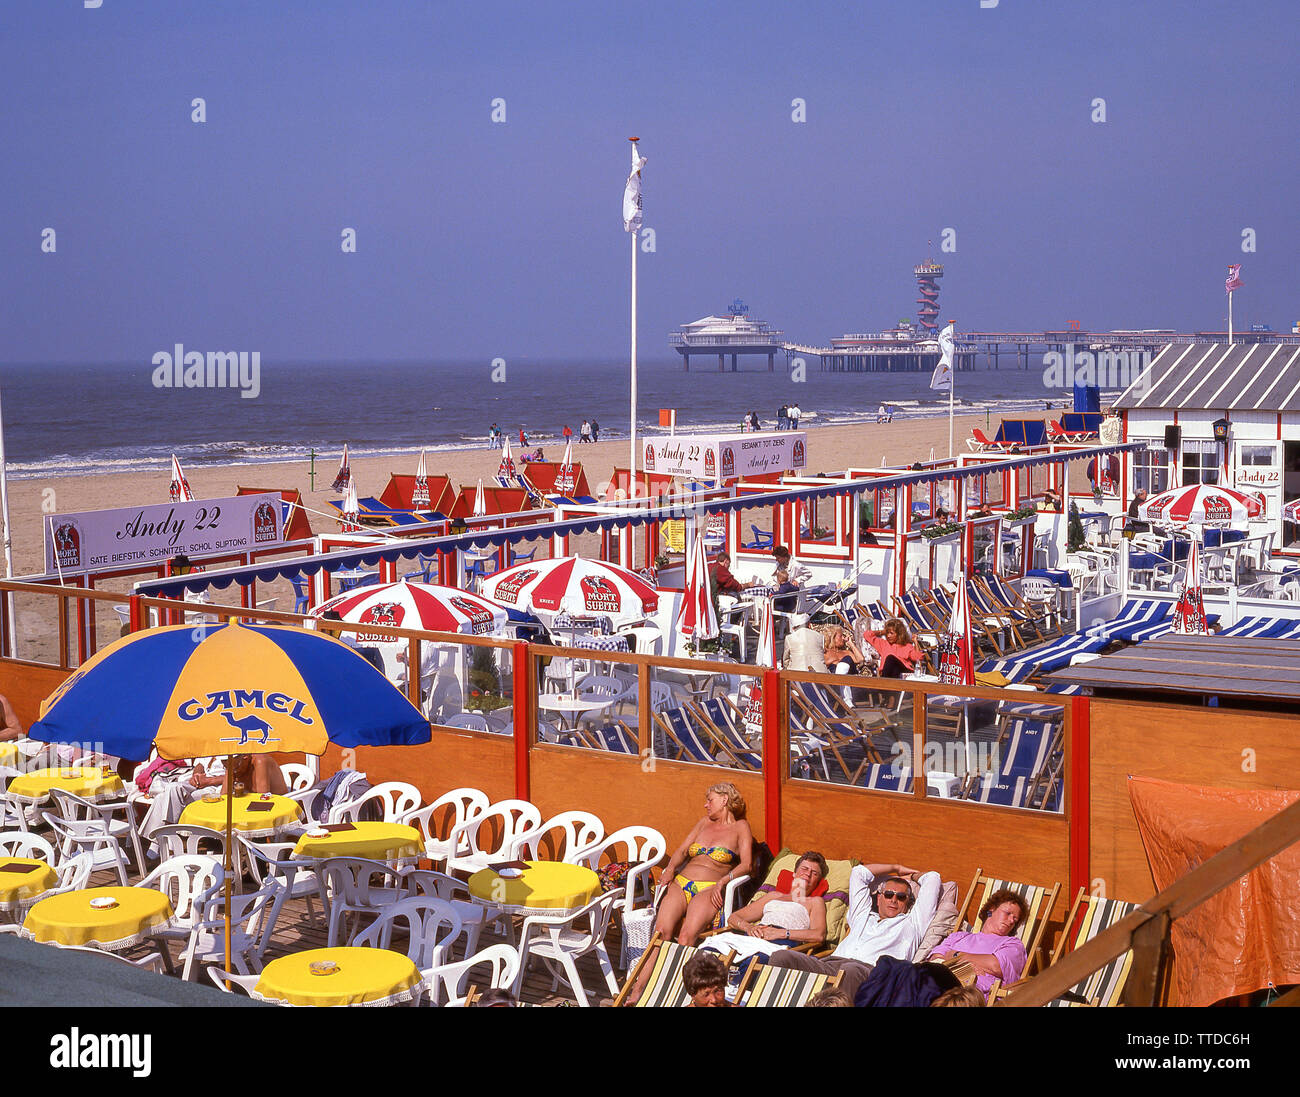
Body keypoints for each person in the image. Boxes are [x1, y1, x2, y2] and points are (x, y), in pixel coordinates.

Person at [766, 862, 941, 1001]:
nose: (894, 900)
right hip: (830, 964)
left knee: (851, 970)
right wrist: (896, 868)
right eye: (888, 894)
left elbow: (933, 878)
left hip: (873, 974)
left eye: (901, 897)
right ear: (879, 898)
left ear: (907, 903)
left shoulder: (912, 923)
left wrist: (913, 876)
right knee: (781, 956)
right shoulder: (862, 914)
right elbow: (859, 873)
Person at [701, 851, 830, 965]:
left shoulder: (815, 902)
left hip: (781, 943)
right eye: (804, 869)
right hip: (754, 937)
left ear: (818, 881)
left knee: (753, 962)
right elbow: (734, 918)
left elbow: (818, 935)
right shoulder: (773, 896)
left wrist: (782, 933)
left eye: (814, 873)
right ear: (794, 874)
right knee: (708, 953)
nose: (808, 874)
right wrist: (749, 927)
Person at [924, 888, 1030, 1000]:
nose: (1011, 920)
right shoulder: (958, 936)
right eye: (1008, 913)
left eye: (1015, 919)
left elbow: (996, 966)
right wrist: (971, 966)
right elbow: (935, 958)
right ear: (991, 910)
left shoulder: (1013, 944)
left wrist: (956, 955)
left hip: (968, 995)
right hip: (939, 984)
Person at [859, 618, 924, 677]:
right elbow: (867, 635)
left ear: (899, 634)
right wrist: (882, 632)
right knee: (890, 660)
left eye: (891, 633)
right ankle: (887, 685)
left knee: (890, 658)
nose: (888, 636)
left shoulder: (907, 646)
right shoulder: (883, 644)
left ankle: (884, 685)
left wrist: (915, 642)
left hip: (904, 672)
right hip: (889, 673)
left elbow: (918, 658)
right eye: (887, 633)